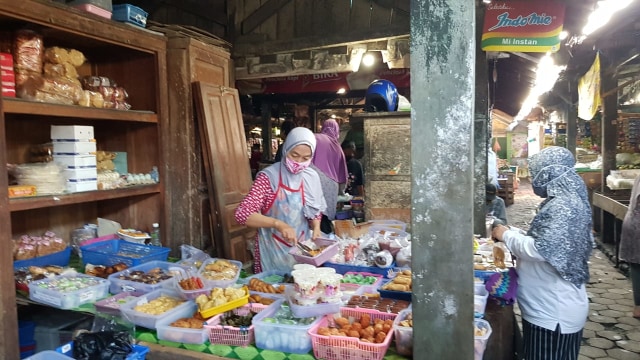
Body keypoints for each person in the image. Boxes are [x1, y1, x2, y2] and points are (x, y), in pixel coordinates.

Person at [492, 146, 592, 360]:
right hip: (547, 308)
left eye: (536, 171)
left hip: (553, 313)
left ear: (548, 172)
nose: (535, 178)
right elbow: (546, 240)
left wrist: (506, 235)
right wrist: (514, 232)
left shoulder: (565, 206)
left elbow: (540, 249)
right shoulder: (563, 201)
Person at [234, 127, 326, 273]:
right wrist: (278, 224)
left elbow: (314, 210)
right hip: (272, 252)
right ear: (285, 149)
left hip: (302, 251)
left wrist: (316, 227)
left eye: (305, 158)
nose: (299, 162)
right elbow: (243, 214)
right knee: (272, 292)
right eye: (294, 155)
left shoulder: (310, 177)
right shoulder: (268, 177)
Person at [311, 119, 348, 226]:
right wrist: (341, 193)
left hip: (311, 180)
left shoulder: (314, 137)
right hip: (331, 186)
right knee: (325, 218)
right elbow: (342, 176)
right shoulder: (338, 148)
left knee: (311, 213)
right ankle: (324, 236)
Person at [620, 175, 640, 318]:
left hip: (634, 223)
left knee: (637, 266)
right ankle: (638, 307)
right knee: (637, 266)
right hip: (637, 224)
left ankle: (638, 306)